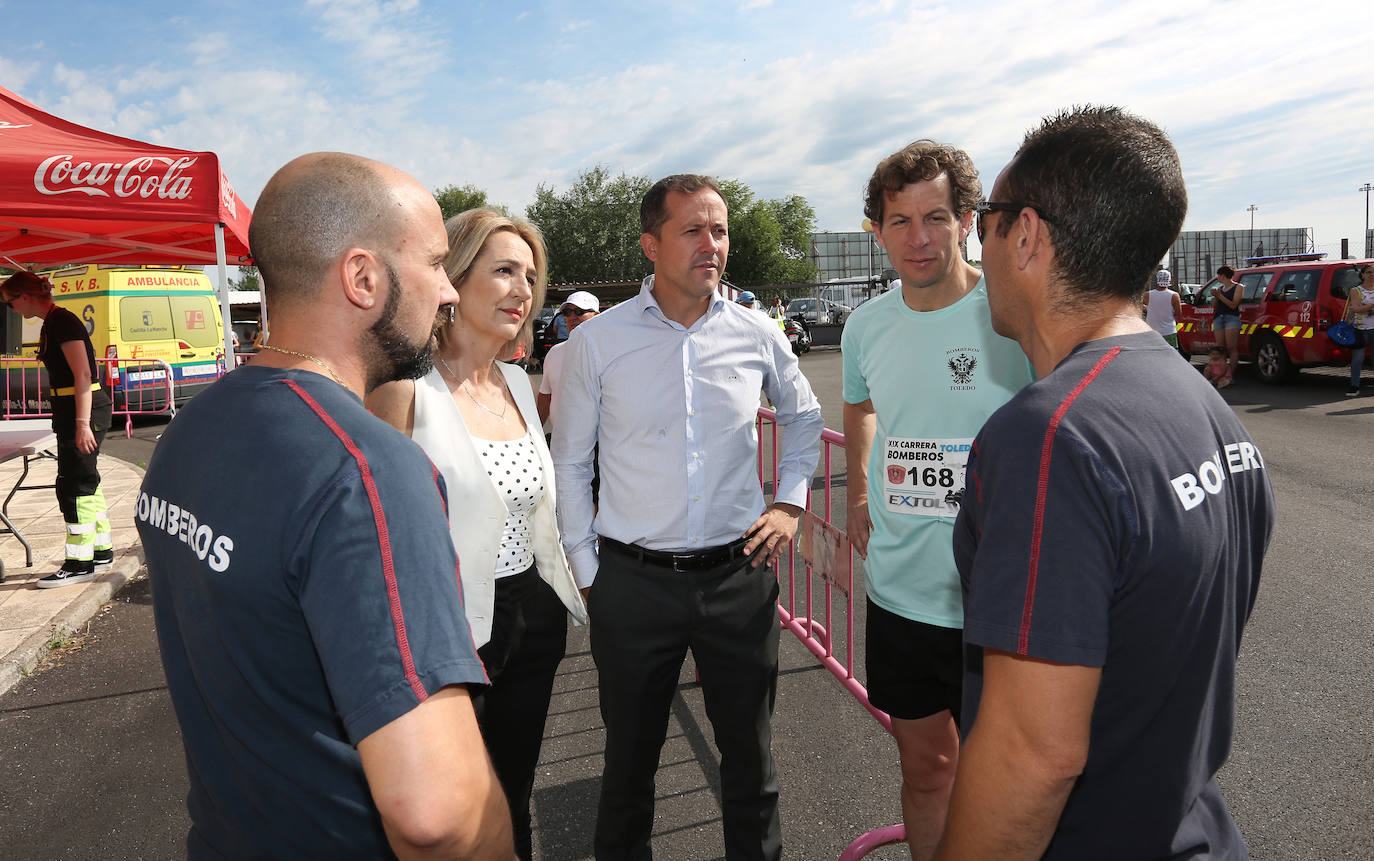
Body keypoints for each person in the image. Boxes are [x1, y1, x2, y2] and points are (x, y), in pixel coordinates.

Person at [136, 153, 514, 859]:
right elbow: (439, 818)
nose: (449, 292)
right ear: (363, 277)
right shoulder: (365, 470)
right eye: (434, 264)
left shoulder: (189, 429)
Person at [941, 106, 1273, 859]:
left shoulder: (1050, 436)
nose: (976, 242)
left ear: (1026, 235)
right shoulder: (1209, 410)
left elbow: (1036, 753)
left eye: (985, 219)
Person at [552, 174, 824, 861]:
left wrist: (790, 501)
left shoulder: (756, 332)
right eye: (694, 230)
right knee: (629, 770)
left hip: (739, 578)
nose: (714, 245)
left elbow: (804, 416)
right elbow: (570, 462)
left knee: (752, 769)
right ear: (651, 243)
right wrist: (590, 573)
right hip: (633, 584)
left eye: (721, 230)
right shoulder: (597, 342)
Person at [369, 208, 588, 860]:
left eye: (530, 274)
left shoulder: (520, 383)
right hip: (446, 631)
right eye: (502, 270)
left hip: (535, 618)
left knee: (511, 792)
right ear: (454, 279)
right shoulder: (403, 393)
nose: (522, 288)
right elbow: (375, 539)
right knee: (449, 811)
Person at [842, 140, 1034, 860]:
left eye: (935, 217)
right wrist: (859, 488)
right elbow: (858, 405)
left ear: (966, 221)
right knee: (928, 772)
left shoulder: (1013, 307)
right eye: (898, 221)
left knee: (1016, 783)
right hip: (903, 594)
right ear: (879, 229)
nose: (917, 238)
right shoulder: (865, 326)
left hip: (1005, 597)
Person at [1, 271, 114, 587]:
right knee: (86, 481)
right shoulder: (54, 321)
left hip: (82, 411)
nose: (12, 310)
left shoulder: (62, 321)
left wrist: (82, 424)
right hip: (74, 410)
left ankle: (80, 563)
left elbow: (83, 375)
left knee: (73, 486)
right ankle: (101, 550)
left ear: (25, 297)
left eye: (11, 303)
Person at [536, 290, 600, 426]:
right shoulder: (554, 353)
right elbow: (545, 398)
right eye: (567, 313)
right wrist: (536, 433)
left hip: (604, 443)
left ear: (597, 316)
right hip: (562, 443)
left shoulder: (610, 353)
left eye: (579, 312)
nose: (572, 317)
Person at [1343, 262, 1374, 397]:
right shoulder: (1356, 290)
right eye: (1369, 272)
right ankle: (1354, 386)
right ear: (1362, 275)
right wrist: (1371, 307)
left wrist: (1366, 308)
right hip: (1360, 329)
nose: (1372, 275)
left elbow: (1361, 309)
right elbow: (1355, 309)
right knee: (1357, 359)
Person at [1210, 264, 1242, 387]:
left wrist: (1219, 296)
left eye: (1218, 275)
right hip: (1219, 318)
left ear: (1223, 275)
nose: (1217, 277)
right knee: (1220, 348)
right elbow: (1215, 307)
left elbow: (1233, 305)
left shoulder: (1238, 287)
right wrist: (1216, 297)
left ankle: (1230, 375)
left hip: (1231, 318)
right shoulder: (1220, 289)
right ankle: (1221, 374)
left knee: (1231, 347)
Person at [1143, 268, 1183, 348]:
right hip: (1169, 331)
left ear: (1157, 280)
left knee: (1153, 356)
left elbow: (1141, 307)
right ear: (1170, 280)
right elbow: (1179, 313)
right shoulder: (1174, 295)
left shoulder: (1148, 295)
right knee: (1170, 357)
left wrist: (1149, 309)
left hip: (1152, 331)